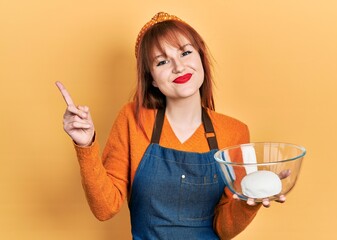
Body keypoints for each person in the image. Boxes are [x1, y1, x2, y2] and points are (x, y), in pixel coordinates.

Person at [56, 12, 285, 240]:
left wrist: (248, 200)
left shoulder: (234, 131)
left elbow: (223, 228)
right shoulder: (132, 119)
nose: (178, 66)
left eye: (185, 52)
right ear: (152, 79)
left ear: (201, 58)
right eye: (162, 61)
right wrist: (85, 145)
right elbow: (105, 209)